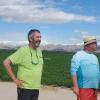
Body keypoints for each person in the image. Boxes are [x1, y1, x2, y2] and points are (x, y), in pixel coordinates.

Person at [3, 29, 43, 100]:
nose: (40, 39)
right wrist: (15, 79)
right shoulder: (23, 50)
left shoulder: (39, 51)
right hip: (25, 89)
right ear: (30, 39)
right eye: (37, 37)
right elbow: (6, 63)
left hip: (36, 88)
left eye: (40, 37)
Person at [70, 36, 100, 100]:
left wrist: (97, 87)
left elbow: (97, 72)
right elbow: (73, 71)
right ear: (88, 44)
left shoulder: (94, 57)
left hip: (94, 87)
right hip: (83, 87)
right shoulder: (78, 55)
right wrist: (75, 86)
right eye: (95, 43)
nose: (96, 45)